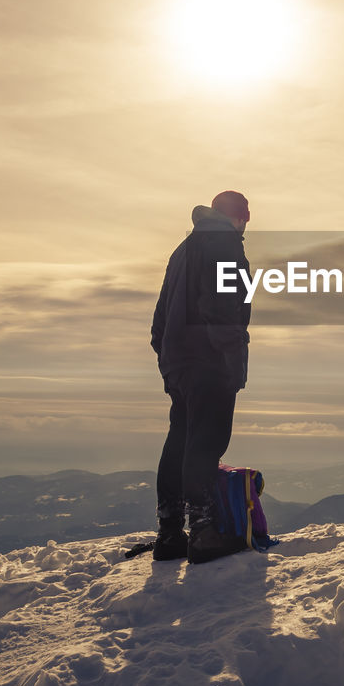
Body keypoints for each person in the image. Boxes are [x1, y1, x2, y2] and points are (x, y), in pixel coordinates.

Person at [149, 190, 253, 563]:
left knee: (180, 439)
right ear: (241, 217)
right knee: (207, 441)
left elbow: (160, 317)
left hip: (179, 362)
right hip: (208, 361)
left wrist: (167, 357)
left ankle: (170, 533)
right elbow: (224, 308)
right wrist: (228, 358)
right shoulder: (223, 245)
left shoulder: (184, 250)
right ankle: (204, 532)